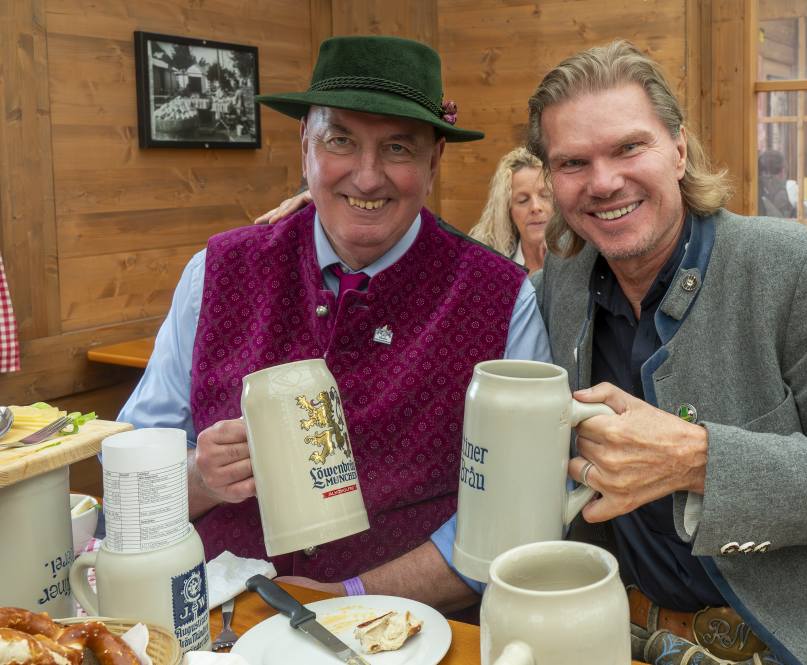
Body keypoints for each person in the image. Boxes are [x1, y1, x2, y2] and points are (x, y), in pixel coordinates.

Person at [526, 41, 807, 664]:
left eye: (629, 147)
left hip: (806, 646)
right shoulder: (560, 284)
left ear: (680, 149)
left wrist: (702, 462)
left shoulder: (798, 269)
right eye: (573, 162)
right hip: (626, 636)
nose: (604, 181)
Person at [118, 35, 551, 612]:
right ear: (305, 148)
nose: (366, 177)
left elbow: (513, 514)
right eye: (340, 140)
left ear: (434, 162)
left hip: (408, 630)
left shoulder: (500, 298)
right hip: (220, 621)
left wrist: (353, 596)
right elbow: (125, 480)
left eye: (398, 148)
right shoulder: (215, 272)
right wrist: (199, 478)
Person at [468, 147, 553, 273]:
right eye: (523, 200)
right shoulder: (490, 267)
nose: (535, 207)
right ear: (508, 210)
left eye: (545, 195)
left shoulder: (579, 259)